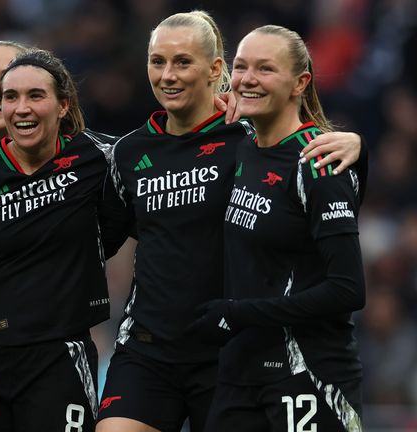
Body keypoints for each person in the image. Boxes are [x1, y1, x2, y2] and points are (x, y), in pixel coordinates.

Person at [97, 11, 364, 432]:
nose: (168, 75)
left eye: (182, 62)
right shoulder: (128, 153)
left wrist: (357, 147)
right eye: (157, 61)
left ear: (214, 69)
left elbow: (308, 167)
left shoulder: (247, 136)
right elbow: (104, 234)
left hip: (228, 351)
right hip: (149, 348)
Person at [0, 48, 126, 432]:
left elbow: (167, 152)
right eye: (11, 97)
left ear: (62, 105)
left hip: (63, 356)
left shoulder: (100, 157)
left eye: (36, 96)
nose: (21, 108)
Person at [188, 24, 365, 431]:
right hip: (238, 373)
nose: (248, 79)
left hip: (309, 373)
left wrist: (238, 313)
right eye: (241, 67)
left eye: (265, 69)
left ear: (300, 82)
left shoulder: (318, 163)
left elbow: (348, 289)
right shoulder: (241, 143)